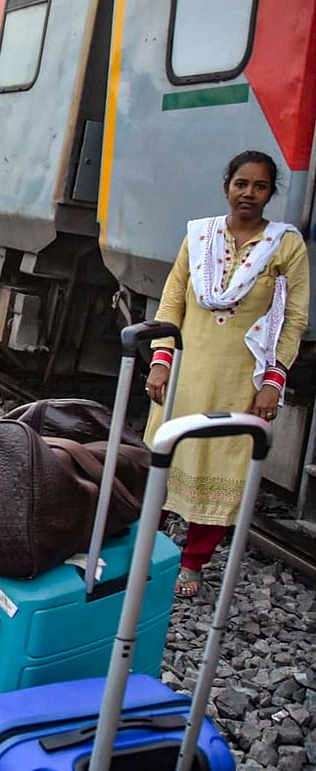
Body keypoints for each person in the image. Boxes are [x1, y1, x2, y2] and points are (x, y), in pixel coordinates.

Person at [145, 150, 309, 599]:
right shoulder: (199, 237)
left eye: (259, 186)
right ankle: (149, 551)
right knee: (165, 459)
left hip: (241, 380)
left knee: (224, 468)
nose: (249, 193)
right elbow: (172, 301)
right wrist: (161, 360)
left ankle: (192, 561)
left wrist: (274, 382)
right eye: (241, 184)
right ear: (226, 187)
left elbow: (292, 319)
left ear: (271, 194)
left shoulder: (285, 246)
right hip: (185, 373)